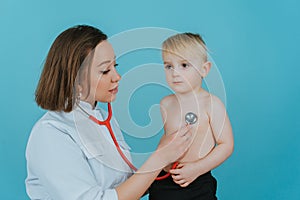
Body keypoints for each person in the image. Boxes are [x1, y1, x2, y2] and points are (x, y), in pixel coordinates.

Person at [25, 25, 192, 200]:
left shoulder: (104, 118)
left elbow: (125, 187)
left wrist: (165, 162)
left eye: (115, 65)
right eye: (105, 70)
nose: (117, 76)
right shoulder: (51, 133)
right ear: (75, 80)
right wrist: (159, 158)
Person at [148, 33, 234, 200]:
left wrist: (197, 168)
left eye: (184, 65)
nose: (175, 73)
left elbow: (226, 145)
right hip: (165, 180)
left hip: (197, 180)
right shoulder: (166, 103)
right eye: (168, 66)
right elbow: (168, 140)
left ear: (204, 69)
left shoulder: (211, 104)